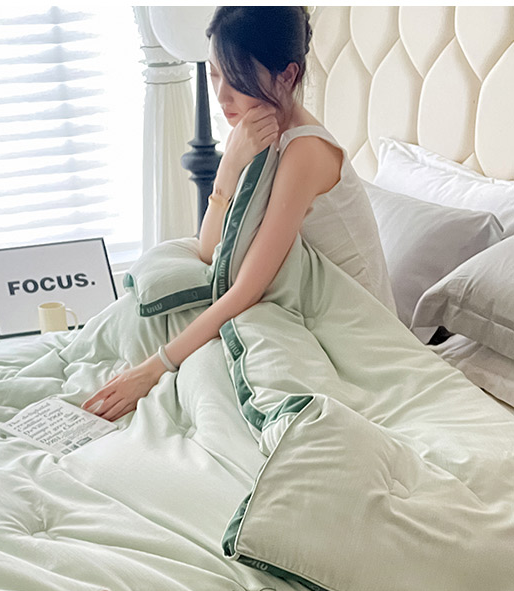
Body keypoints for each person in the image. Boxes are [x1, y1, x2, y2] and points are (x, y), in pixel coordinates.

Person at [83, 6, 396, 422]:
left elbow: (247, 288)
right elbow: (209, 250)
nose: (222, 96)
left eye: (238, 79)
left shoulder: (305, 151)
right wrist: (228, 169)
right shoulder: (257, 134)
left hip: (355, 338)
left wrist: (155, 368)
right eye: (215, 74)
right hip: (304, 316)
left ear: (287, 76)